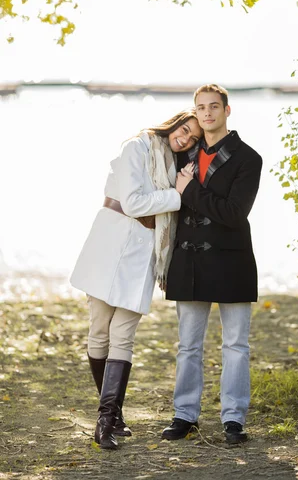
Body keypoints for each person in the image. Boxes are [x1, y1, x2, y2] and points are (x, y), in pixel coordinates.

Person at [70, 109, 202, 450]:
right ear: (173, 123)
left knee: (123, 334)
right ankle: (114, 415)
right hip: (109, 244)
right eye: (184, 130)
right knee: (99, 331)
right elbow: (132, 202)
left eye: (192, 138)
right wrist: (178, 194)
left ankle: (105, 423)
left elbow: (152, 207)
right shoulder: (137, 147)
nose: (185, 139)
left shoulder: (176, 165)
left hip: (144, 255)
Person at [161, 84, 263, 445]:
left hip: (232, 261)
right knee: (187, 344)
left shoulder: (248, 159)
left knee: (236, 344)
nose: (206, 113)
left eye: (214, 107)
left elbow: (235, 214)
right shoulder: (183, 156)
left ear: (227, 110)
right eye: (200, 108)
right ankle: (184, 415)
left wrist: (190, 191)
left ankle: (234, 419)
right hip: (188, 262)